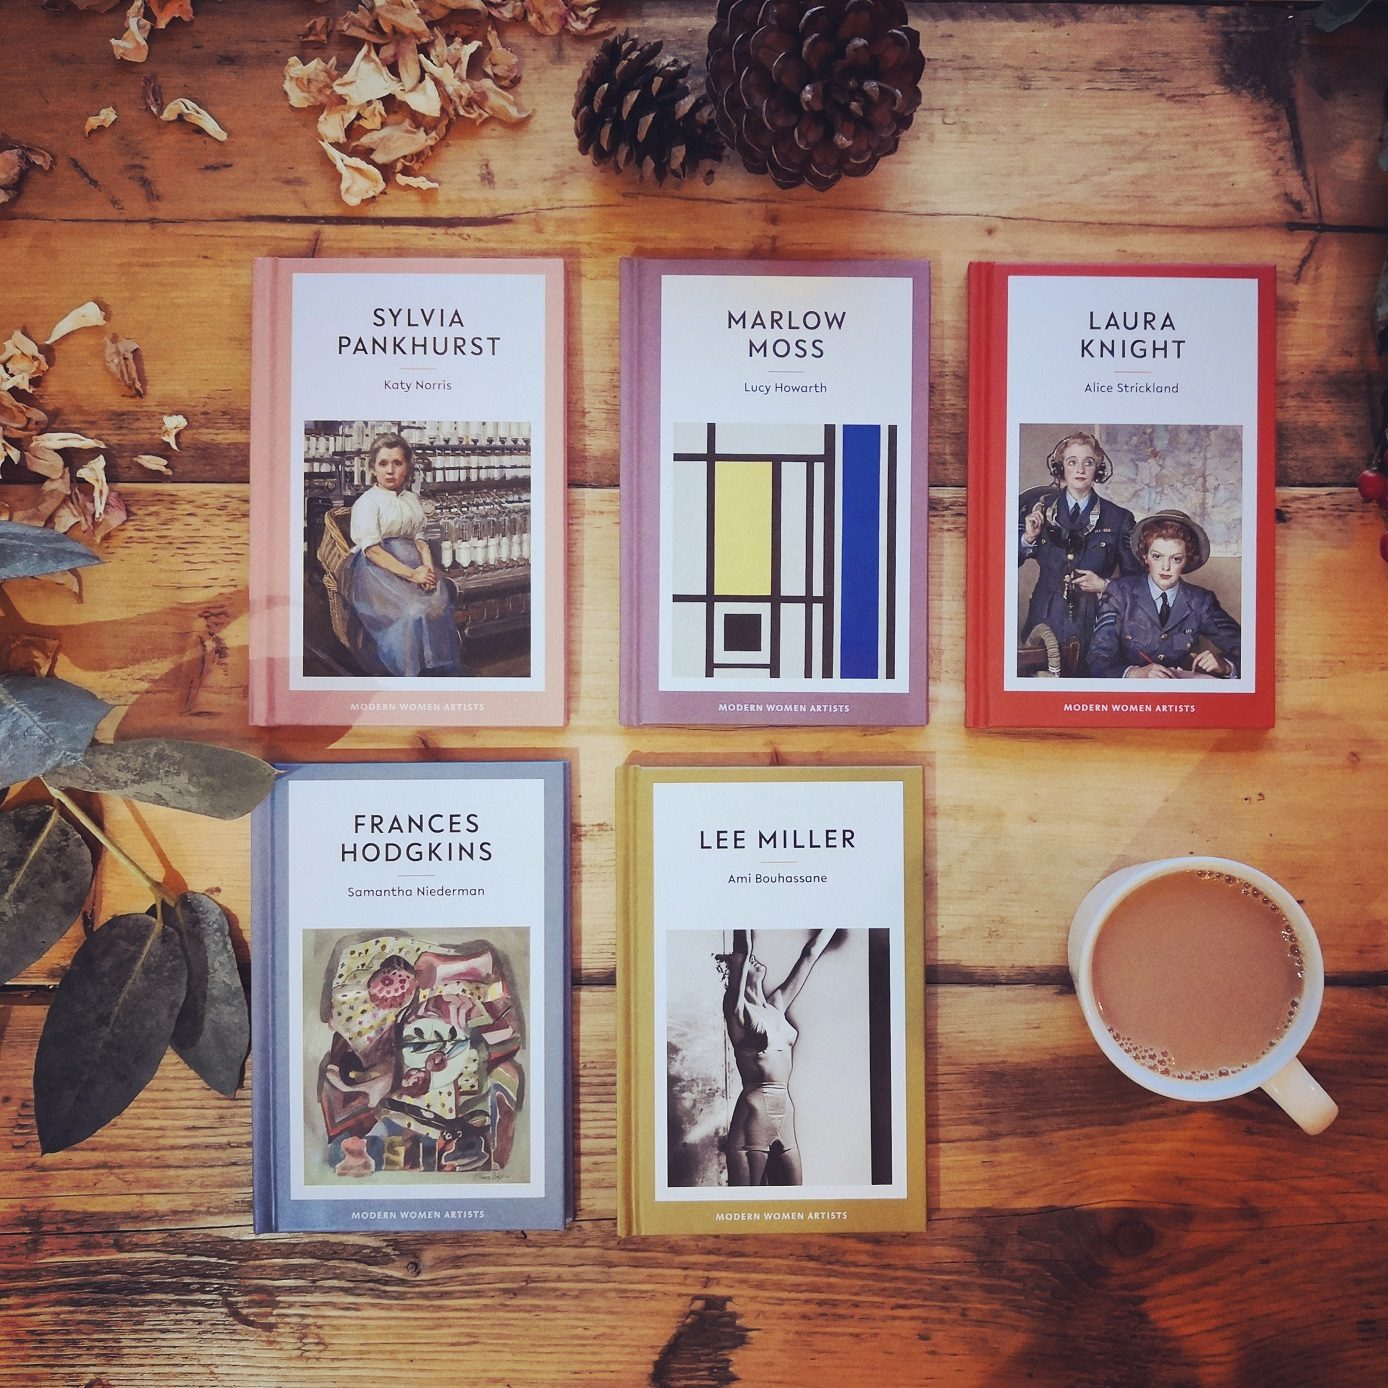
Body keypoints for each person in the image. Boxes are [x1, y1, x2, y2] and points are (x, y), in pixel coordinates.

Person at [718, 927, 835, 1187]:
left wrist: (844, 912)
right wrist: (741, 908)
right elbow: (742, 949)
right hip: (753, 1114)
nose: (754, 958)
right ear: (734, 973)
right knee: (747, 1207)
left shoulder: (777, 1005)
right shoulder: (736, 1010)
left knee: (793, 1203)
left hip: (786, 1111)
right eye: (748, 961)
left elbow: (810, 953)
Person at [1018, 431, 1140, 674]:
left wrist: (1106, 585)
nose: (1080, 469)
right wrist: (1027, 539)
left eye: (1089, 462)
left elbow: (1136, 582)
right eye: (1072, 461)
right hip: (1045, 614)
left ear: (1098, 469)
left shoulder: (1119, 518)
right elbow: (1004, 565)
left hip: (1095, 619)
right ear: (1061, 467)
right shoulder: (1038, 509)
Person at [340, 433, 462, 676]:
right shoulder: (367, 503)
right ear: (372, 468)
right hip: (377, 573)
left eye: (397, 463)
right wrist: (412, 575)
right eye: (383, 463)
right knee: (412, 611)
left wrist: (427, 571)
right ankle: (407, 672)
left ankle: (433, 667)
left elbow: (420, 539)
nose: (390, 470)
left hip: (413, 566)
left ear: (407, 467)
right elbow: (373, 551)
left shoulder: (411, 499)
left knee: (437, 603)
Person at [1088, 509, 1241, 679]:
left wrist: (1226, 666)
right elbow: (1097, 659)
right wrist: (1137, 673)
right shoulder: (1119, 593)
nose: (1165, 567)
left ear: (1187, 560)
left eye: (1176, 559)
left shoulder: (1201, 601)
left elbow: (1249, 650)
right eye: (1157, 556)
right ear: (1145, 557)